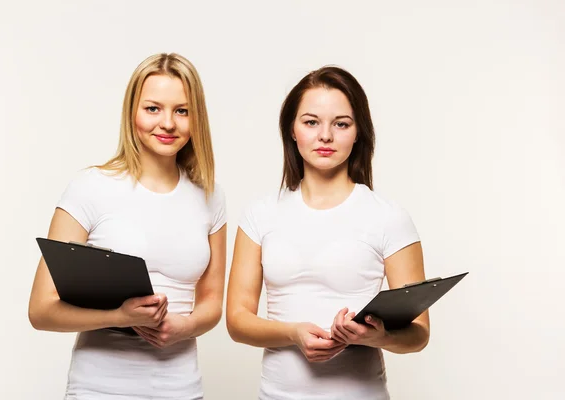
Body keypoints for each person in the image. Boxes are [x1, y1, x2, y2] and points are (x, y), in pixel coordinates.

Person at [28, 53, 227, 400]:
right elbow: (41, 310)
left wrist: (186, 326)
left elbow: (211, 304)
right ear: (132, 112)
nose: (167, 123)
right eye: (153, 108)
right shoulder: (90, 186)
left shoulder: (210, 195)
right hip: (99, 388)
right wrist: (119, 315)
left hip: (181, 387)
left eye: (182, 110)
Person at [226, 65, 430, 399]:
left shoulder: (389, 218)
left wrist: (376, 337)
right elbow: (236, 320)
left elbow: (419, 332)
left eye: (341, 124)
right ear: (292, 130)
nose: (325, 136)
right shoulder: (260, 215)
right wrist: (293, 333)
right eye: (311, 122)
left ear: (358, 132)